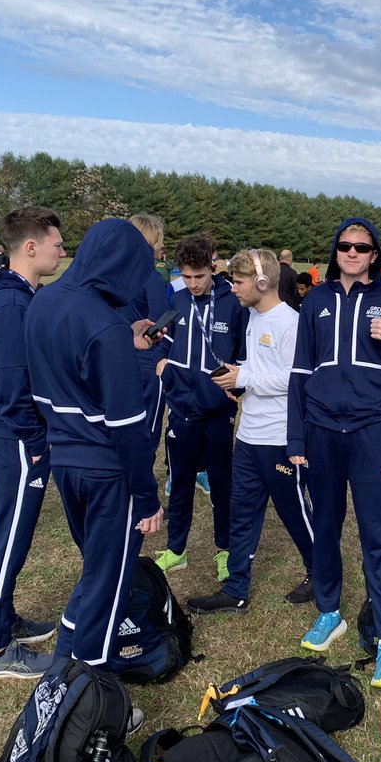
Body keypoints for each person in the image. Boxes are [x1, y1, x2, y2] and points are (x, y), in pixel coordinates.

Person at [23, 219, 166, 672]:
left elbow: (69, 356)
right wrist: (147, 499)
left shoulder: (45, 301)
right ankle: (88, 696)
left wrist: (124, 339)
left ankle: (65, 662)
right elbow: (128, 427)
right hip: (108, 472)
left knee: (96, 571)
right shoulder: (105, 326)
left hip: (65, 462)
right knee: (109, 586)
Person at [287, 218, 381, 690]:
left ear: (374, 255)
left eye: (360, 247)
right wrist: (296, 439)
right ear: (335, 251)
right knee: (325, 525)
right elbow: (300, 372)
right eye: (344, 245)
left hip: (370, 432)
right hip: (321, 431)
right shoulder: (317, 300)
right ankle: (329, 613)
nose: (351, 252)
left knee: (375, 534)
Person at [187, 248, 314, 615]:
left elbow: (297, 378)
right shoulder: (254, 318)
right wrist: (237, 374)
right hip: (248, 436)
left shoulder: (290, 323)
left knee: (294, 514)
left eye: (238, 282)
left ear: (262, 282)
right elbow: (259, 367)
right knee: (241, 511)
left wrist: (247, 376)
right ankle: (236, 588)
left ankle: (320, 573)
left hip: (279, 440)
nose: (233, 290)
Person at [0, 207, 66, 680]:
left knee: (14, 533)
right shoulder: (11, 306)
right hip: (16, 440)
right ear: (30, 247)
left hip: (14, 436)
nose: (62, 251)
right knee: (8, 538)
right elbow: (13, 389)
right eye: (56, 243)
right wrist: (34, 441)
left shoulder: (17, 298)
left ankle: (5, 621)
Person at [152, 234, 247, 579]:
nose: (192, 284)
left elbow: (243, 352)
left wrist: (239, 383)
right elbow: (165, 337)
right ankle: (176, 550)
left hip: (218, 412)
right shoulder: (176, 297)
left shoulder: (232, 303)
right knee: (179, 484)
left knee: (222, 485)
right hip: (181, 409)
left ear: (213, 266)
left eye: (199, 276)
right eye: (187, 276)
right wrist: (161, 363)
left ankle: (225, 550)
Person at [120, 215, 172, 463]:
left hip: (116, 355)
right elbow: (158, 323)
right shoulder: (152, 279)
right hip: (146, 361)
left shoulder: (112, 276)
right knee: (146, 429)